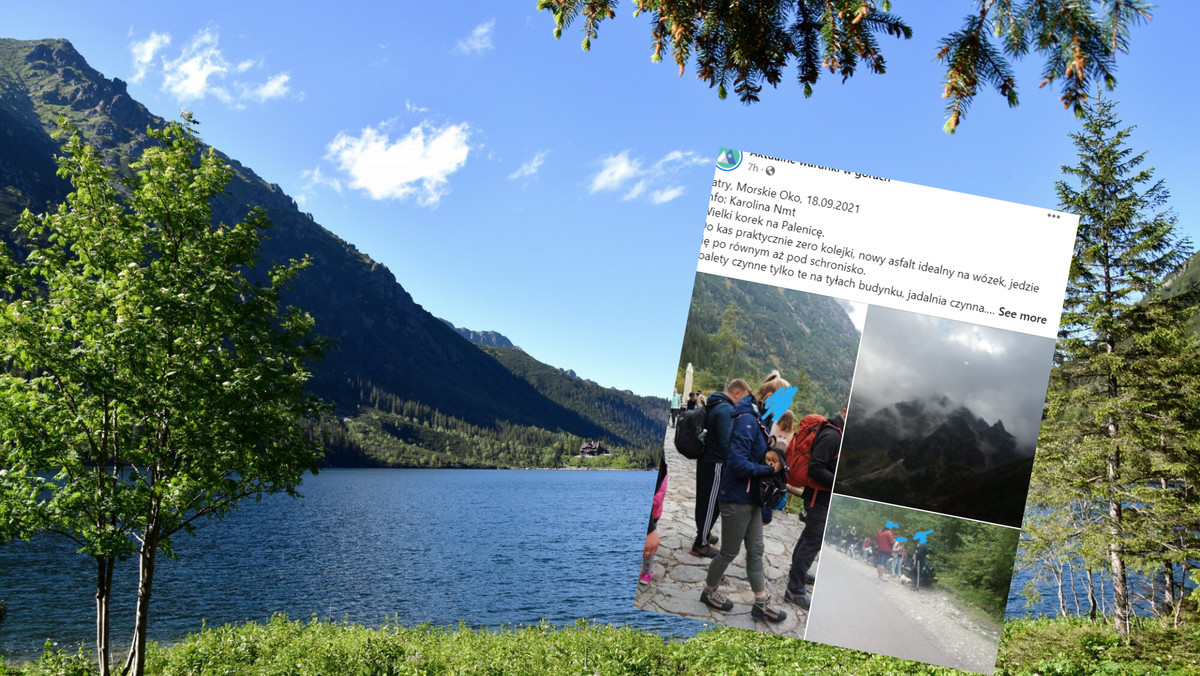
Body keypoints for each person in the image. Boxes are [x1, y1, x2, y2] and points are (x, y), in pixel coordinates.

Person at [700, 378, 790, 623]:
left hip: (752, 499)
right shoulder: (748, 421)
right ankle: (708, 592)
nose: (786, 407)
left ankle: (761, 604)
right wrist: (770, 471)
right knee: (729, 551)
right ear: (770, 398)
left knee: (756, 551)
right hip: (737, 498)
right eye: (784, 401)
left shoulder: (761, 421)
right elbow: (738, 464)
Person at [783, 410, 843, 609]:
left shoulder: (839, 433)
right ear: (845, 411)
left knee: (809, 536)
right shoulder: (832, 435)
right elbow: (815, 469)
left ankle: (797, 572)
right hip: (819, 498)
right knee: (813, 541)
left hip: (820, 497)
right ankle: (794, 590)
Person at [690, 379, 751, 558]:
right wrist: (733, 466)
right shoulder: (726, 410)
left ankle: (704, 533)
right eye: (744, 398)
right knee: (711, 503)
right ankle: (700, 544)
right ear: (736, 392)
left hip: (705, 459)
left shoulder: (714, 403)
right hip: (716, 462)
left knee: (703, 500)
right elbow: (726, 442)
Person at [640, 457, 668, 585]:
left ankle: (646, 571)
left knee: (649, 550)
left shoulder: (660, 469)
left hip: (654, 511)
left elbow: (659, 493)